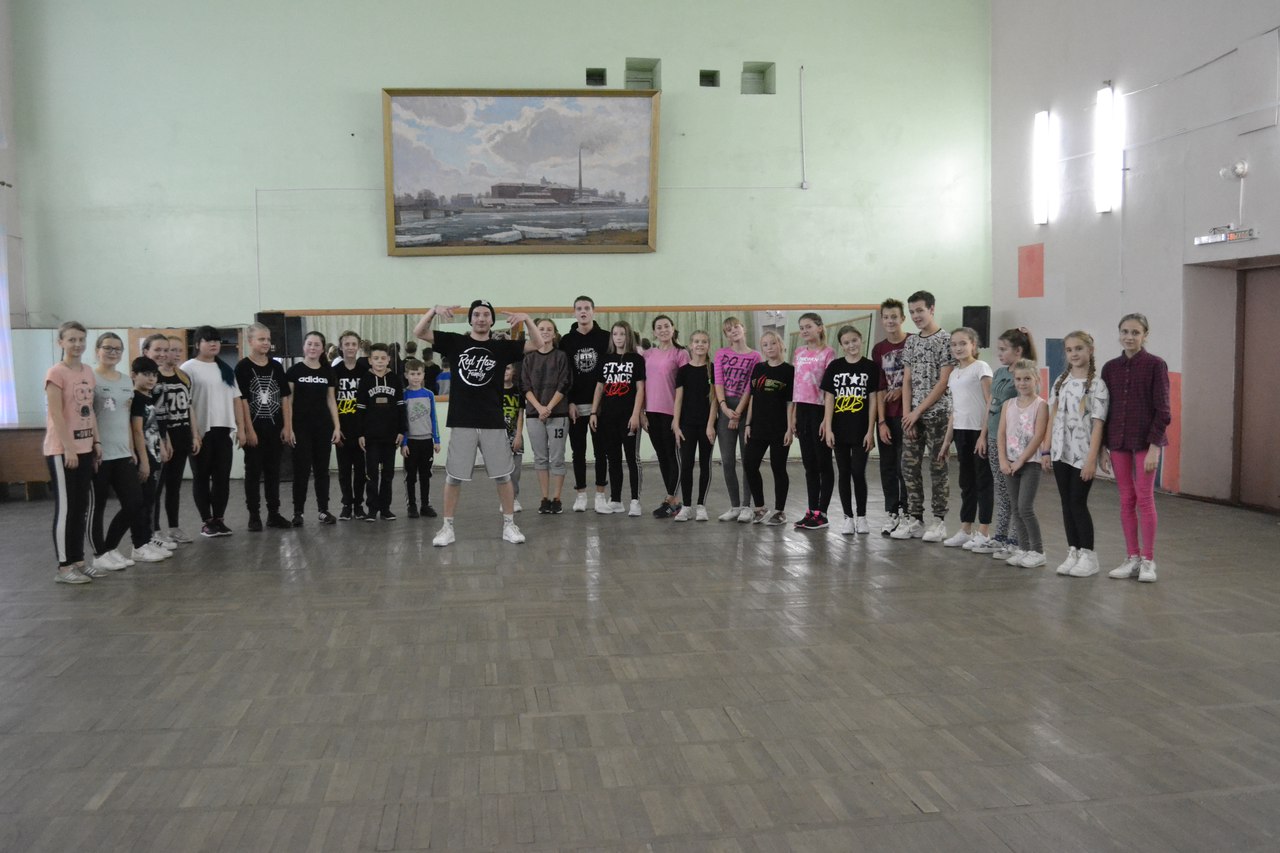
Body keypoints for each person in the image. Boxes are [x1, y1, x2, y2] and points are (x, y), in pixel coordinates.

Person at [413, 301, 537, 546]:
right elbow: (419, 332)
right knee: (453, 477)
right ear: (470, 319)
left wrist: (527, 319)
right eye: (477, 314)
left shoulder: (501, 347)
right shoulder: (455, 342)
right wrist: (433, 311)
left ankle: (509, 525)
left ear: (492, 320)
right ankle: (447, 527)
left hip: (492, 420)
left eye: (486, 315)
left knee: (503, 476)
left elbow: (538, 344)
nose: (481, 318)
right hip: (462, 420)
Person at [88, 333, 169, 571]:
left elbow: (129, 421)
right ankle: (100, 553)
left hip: (123, 454)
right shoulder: (90, 378)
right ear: (97, 350)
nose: (113, 352)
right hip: (100, 454)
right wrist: (94, 445)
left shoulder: (125, 381)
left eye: (117, 349)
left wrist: (133, 451)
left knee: (134, 502)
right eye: (108, 348)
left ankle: (111, 547)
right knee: (98, 507)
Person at [1100, 313, 1170, 583]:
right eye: (1125, 332)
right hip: (1117, 440)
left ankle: (1148, 560)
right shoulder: (1110, 368)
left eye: (1135, 332)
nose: (1129, 337)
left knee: (1144, 497)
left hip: (1145, 442)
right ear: (1119, 334)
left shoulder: (1156, 365)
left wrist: (1154, 447)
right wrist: (1103, 447)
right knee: (1126, 499)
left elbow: (1163, 410)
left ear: (1145, 335)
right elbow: (1104, 410)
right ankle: (1132, 557)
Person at [1043, 331, 1109, 578]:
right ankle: (1074, 550)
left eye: (1079, 348)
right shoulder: (1061, 382)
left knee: (1077, 502)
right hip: (1061, 452)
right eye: (1069, 350)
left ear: (1090, 350)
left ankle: (1089, 555)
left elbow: (1098, 424)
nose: (1074, 354)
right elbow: (1052, 417)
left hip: (1082, 455)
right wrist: (1046, 449)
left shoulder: (1097, 386)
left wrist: (1092, 460)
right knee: (1066, 503)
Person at [891, 291, 956, 542]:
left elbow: (943, 381)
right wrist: (908, 414)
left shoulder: (946, 340)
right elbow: (906, 381)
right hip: (913, 417)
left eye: (920, 310)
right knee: (908, 468)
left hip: (938, 414)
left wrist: (918, 411)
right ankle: (915, 519)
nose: (916, 316)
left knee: (938, 468)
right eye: (912, 312)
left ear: (932, 309)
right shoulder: (911, 342)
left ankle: (939, 521)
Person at [43, 321, 99, 584]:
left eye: (81, 339)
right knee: (66, 509)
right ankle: (64, 567)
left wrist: (96, 442)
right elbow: (56, 414)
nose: (77, 344)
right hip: (62, 450)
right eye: (72, 340)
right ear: (61, 343)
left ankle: (78, 560)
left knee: (80, 507)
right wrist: (68, 448)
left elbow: (90, 409)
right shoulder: (56, 373)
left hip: (86, 448)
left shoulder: (87, 371)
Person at [978, 328, 1036, 560]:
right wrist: (983, 434)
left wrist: (1030, 338)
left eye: (1004, 349)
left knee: (1015, 496)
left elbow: (1032, 365)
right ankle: (1000, 537)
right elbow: (991, 403)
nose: (999, 354)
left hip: (1014, 440)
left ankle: (1015, 540)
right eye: (999, 349)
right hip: (995, 436)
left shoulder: (1023, 374)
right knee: (1001, 492)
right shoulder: (1000, 372)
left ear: (1018, 351)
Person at [181, 326, 243, 537]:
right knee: (201, 477)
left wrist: (241, 428)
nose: (214, 344)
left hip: (223, 429)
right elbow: (185, 402)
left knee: (222, 478)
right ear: (198, 344)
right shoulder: (188, 368)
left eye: (217, 340)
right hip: (200, 432)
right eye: (208, 340)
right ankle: (206, 521)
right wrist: (193, 433)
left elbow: (236, 399)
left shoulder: (225, 369)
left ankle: (219, 519)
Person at [821, 326, 880, 534]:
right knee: (844, 472)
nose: (851, 345)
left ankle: (862, 516)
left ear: (861, 340)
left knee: (858, 471)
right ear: (841, 345)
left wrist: (870, 430)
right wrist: (828, 428)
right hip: (839, 429)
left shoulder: (870, 367)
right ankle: (848, 517)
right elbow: (829, 398)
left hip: (860, 429)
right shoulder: (835, 366)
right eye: (846, 342)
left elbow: (873, 400)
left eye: (854, 340)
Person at [939, 328, 994, 549]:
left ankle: (984, 532)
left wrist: (984, 435)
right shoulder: (953, 374)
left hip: (978, 431)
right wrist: (947, 441)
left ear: (973, 345)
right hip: (961, 432)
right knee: (966, 482)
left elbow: (990, 403)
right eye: (954, 344)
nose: (958, 348)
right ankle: (965, 529)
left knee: (983, 481)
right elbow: (955, 410)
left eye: (963, 343)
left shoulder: (981, 367)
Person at [235, 323, 292, 531]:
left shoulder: (276, 367)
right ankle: (254, 515)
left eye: (268, 339)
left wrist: (287, 426)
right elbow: (242, 400)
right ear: (250, 341)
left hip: (275, 429)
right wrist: (248, 430)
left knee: (273, 473)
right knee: (253, 473)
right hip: (255, 429)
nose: (266, 343)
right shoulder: (242, 367)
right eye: (261, 339)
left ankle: (273, 513)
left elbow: (284, 398)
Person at [559, 296, 611, 512]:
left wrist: (602, 404)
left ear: (593, 311)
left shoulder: (606, 338)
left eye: (586, 308)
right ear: (574, 312)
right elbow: (564, 373)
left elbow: (609, 371)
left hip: (600, 405)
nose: (583, 311)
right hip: (576, 406)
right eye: (579, 308)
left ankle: (600, 494)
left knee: (601, 451)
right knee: (578, 452)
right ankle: (581, 494)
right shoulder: (566, 340)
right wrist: (569, 401)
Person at [590, 321, 646, 516]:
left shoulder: (636, 359)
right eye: (615, 334)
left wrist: (636, 414)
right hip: (608, 417)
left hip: (628, 417)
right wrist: (593, 412)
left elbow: (640, 389)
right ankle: (616, 499)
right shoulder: (605, 359)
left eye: (622, 334)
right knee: (613, 459)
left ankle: (635, 501)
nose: (619, 337)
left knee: (632, 459)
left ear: (628, 336)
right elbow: (599, 387)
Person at [285, 331, 341, 526]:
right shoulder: (294, 371)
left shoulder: (328, 372)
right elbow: (288, 401)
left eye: (317, 344)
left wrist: (337, 427)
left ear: (322, 349)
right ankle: (298, 512)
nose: (313, 348)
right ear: (304, 346)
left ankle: (323, 510)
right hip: (300, 429)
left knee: (322, 471)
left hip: (323, 428)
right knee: (301, 471)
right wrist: (289, 427)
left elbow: (331, 400)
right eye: (309, 344)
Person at [997, 359, 1049, 568]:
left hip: (1030, 463)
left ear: (1036, 379)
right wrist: (1003, 459)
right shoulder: (1008, 405)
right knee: (1015, 509)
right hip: (1009, 464)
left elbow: (1038, 436)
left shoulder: (1041, 405)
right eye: (1018, 379)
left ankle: (1038, 551)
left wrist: (1021, 460)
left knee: (1025, 507)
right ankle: (1024, 548)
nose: (1022, 383)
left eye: (1027, 379)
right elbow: (1001, 433)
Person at [147, 334, 197, 546]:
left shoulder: (183, 377)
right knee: (157, 488)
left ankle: (174, 527)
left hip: (182, 436)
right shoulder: (153, 378)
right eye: (169, 350)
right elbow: (155, 414)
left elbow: (189, 406)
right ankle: (155, 530)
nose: (173, 354)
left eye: (177, 350)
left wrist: (195, 434)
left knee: (174, 486)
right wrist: (162, 438)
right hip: (162, 439)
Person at [741, 331, 795, 526]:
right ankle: (760, 508)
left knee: (778, 468)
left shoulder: (789, 370)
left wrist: (790, 428)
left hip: (780, 428)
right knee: (750, 465)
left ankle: (780, 511)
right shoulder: (758, 368)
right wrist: (748, 423)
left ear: (780, 345)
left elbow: (791, 402)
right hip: (758, 427)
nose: (769, 347)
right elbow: (753, 398)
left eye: (773, 343)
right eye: (765, 344)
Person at [712, 316, 761, 522]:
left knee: (748, 460)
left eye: (736, 327)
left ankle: (747, 506)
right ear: (726, 335)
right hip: (725, 409)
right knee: (728, 461)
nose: (733, 331)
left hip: (746, 409)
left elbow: (751, 386)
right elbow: (718, 382)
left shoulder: (755, 356)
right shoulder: (721, 354)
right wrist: (724, 407)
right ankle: (734, 506)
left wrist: (738, 412)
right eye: (729, 329)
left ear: (743, 329)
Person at [522, 318, 572, 514]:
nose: (544, 332)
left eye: (548, 329)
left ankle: (557, 498)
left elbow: (564, 383)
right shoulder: (529, 358)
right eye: (541, 328)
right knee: (540, 458)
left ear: (554, 333)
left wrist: (548, 407)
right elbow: (524, 386)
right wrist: (539, 408)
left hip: (558, 414)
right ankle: (544, 498)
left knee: (557, 458)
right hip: (534, 415)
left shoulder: (561, 356)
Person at [640, 315, 688, 518]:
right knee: (661, 456)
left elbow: (684, 386)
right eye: (659, 327)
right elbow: (641, 385)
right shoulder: (648, 354)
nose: (663, 330)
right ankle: (673, 500)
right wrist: (641, 412)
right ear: (654, 332)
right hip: (652, 412)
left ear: (673, 328)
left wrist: (677, 418)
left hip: (671, 413)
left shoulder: (681, 353)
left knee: (672, 456)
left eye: (666, 326)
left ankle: (671, 499)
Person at [792, 312, 836, 529]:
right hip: (802, 410)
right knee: (809, 464)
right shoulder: (799, 352)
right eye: (801, 327)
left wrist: (827, 420)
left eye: (808, 326)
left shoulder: (828, 353)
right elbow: (796, 386)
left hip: (819, 410)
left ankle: (822, 512)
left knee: (823, 463)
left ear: (819, 327)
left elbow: (830, 390)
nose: (804, 331)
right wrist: (793, 416)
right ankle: (811, 510)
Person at [356, 343, 406, 521]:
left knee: (388, 474)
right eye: (376, 358)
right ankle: (372, 509)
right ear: (370, 360)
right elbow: (360, 409)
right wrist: (360, 433)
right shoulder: (365, 380)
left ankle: (385, 508)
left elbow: (401, 407)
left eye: (383, 358)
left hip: (390, 436)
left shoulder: (395, 379)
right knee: (372, 474)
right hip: (371, 437)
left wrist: (401, 430)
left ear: (389, 360)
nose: (379, 361)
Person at [672, 330, 718, 522]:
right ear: (690, 345)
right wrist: (676, 424)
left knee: (705, 464)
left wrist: (710, 425)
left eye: (704, 342)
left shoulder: (713, 369)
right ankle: (687, 506)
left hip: (706, 425)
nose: (700, 344)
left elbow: (715, 399)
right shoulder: (683, 371)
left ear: (708, 345)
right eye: (696, 341)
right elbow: (678, 399)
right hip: (687, 425)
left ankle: (701, 505)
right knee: (687, 465)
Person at [873, 299, 910, 535]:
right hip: (887, 417)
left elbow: (919, 380)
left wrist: (902, 391)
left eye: (894, 316)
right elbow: (879, 388)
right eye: (886, 317)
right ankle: (892, 512)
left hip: (907, 416)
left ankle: (908, 513)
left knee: (904, 467)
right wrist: (881, 422)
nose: (890, 321)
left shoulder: (913, 342)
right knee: (887, 466)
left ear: (902, 318)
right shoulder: (879, 349)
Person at [129, 356, 173, 557]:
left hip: (154, 454)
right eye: (146, 374)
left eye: (154, 375)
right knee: (142, 502)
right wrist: (144, 461)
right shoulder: (136, 399)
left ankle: (148, 539)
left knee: (150, 500)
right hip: (144, 457)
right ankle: (139, 544)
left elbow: (153, 427)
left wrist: (161, 447)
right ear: (134, 375)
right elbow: (137, 431)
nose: (151, 379)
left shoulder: (147, 398)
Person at [333, 330, 368, 520]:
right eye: (347, 344)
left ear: (359, 346)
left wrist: (366, 429)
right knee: (344, 471)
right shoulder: (335, 371)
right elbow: (330, 401)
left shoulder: (365, 371)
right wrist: (336, 428)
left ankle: (358, 505)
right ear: (341, 347)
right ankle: (347, 504)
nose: (350, 348)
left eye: (354, 344)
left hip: (361, 429)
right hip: (342, 429)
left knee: (361, 471)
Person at [401, 358, 441, 518]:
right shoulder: (404, 395)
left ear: (423, 375)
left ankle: (425, 505)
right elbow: (402, 421)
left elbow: (433, 418)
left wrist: (436, 440)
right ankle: (412, 505)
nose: (416, 377)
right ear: (406, 375)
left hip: (426, 441)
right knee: (410, 476)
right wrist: (404, 443)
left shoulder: (429, 394)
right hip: (411, 442)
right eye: (412, 374)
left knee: (425, 475)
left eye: (418, 374)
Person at [501, 363, 526, 511]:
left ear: (514, 371)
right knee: (502, 471)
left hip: (514, 435)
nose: (505, 371)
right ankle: (504, 500)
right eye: (503, 368)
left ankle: (514, 498)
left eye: (508, 368)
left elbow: (520, 415)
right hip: (499, 436)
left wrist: (518, 435)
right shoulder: (495, 391)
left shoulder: (518, 391)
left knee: (515, 472)